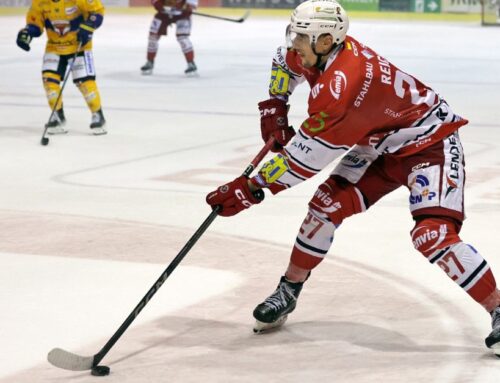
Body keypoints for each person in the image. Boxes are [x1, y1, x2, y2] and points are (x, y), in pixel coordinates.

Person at [205, 0, 500, 356]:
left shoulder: (344, 88)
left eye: (301, 36)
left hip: (428, 143)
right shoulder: (313, 51)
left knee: (431, 235)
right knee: (323, 209)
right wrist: (276, 105)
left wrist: (251, 188)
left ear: (326, 41)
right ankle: (288, 290)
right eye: (295, 33)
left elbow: (304, 159)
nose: (293, 42)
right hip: (379, 143)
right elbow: (284, 61)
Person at [16, 0, 107, 135]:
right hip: (54, 46)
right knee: (49, 80)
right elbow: (35, 24)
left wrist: (89, 26)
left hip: (79, 44)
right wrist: (27, 32)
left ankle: (98, 115)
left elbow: (97, 12)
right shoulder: (39, 2)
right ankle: (58, 117)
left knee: (85, 82)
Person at [140, 0, 198, 76]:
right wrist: (157, 4)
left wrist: (189, 8)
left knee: (183, 38)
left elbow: (191, 4)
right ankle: (149, 62)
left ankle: (191, 63)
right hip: (164, 13)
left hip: (181, 14)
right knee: (153, 37)